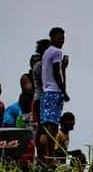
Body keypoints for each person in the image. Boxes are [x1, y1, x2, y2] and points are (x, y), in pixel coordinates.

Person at [37, 28, 69, 160]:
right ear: (52, 38)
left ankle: (47, 156)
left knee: (47, 125)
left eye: (63, 38)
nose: (62, 41)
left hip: (46, 92)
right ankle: (51, 156)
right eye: (59, 38)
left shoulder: (46, 52)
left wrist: (63, 67)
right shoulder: (57, 52)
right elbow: (56, 73)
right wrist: (63, 91)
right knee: (53, 126)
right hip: (54, 91)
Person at [29, 38, 50, 126]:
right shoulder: (40, 66)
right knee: (42, 127)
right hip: (41, 100)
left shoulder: (43, 65)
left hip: (43, 99)